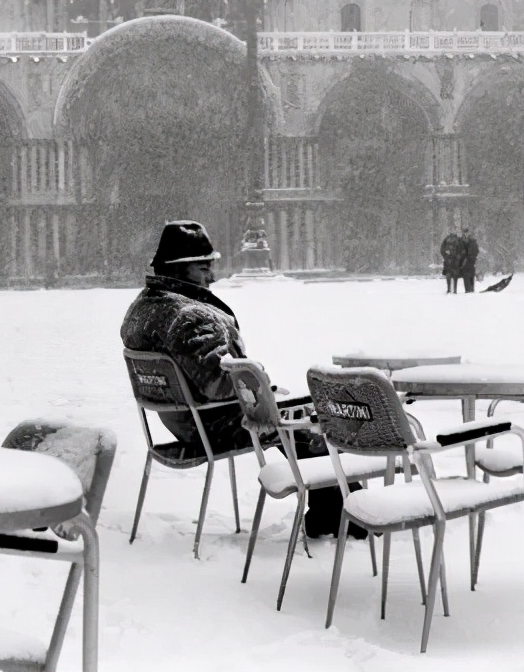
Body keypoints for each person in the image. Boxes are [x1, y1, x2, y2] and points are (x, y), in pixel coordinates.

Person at [120, 220, 362, 538]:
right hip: (211, 425)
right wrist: (262, 390)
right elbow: (218, 386)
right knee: (312, 418)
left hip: (181, 419)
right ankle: (345, 514)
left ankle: (338, 510)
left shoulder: (143, 308)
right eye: (204, 268)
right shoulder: (191, 316)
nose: (212, 276)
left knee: (294, 413)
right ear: (180, 268)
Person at [439, 228, 463, 294]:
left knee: (454, 275)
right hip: (449, 260)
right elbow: (442, 250)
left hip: (454, 261)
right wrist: (446, 256)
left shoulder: (458, 239)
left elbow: (462, 250)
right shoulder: (446, 239)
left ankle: (453, 290)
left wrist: (458, 257)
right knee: (449, 275)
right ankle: (449, 289)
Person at [459, 227, 479, 293]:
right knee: (466, 275)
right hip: (465, 261)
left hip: (471, 260)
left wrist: (473, 257)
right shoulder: (462, 241)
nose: (466, 234)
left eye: (467, 232)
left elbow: (476, 250)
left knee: (471, 275)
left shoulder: (473, 241)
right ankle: (468, 290)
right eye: (465, 232)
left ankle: (471, 289)